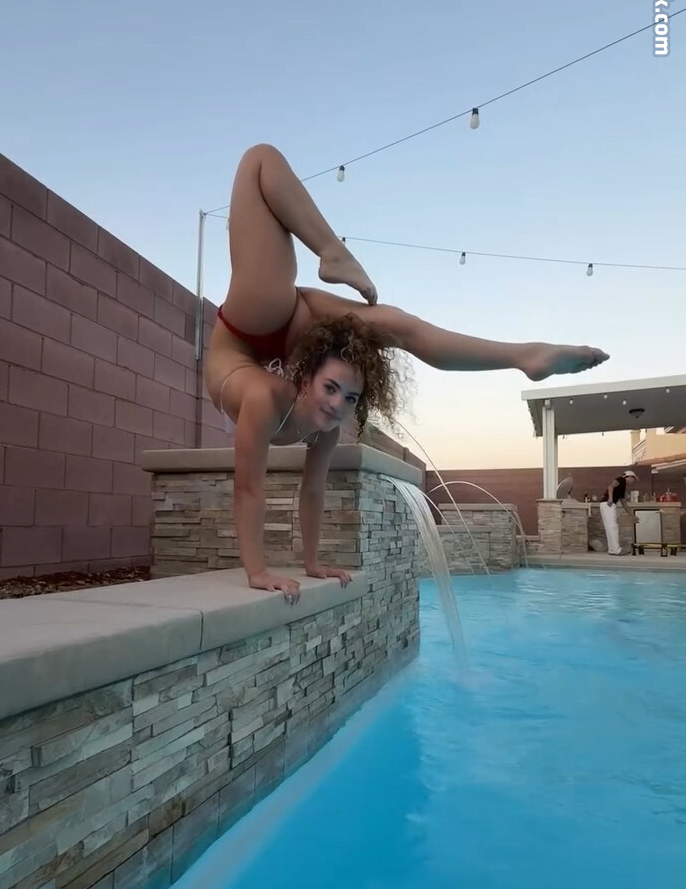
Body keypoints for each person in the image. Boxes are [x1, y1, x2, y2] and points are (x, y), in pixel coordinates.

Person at [205, 144, 610, 602]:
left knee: (400, 326)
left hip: (292, 326)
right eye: (331, 390)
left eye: (350, 398)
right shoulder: (264, 399)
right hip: (242, 338)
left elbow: (313, 491)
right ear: (305, 378)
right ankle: (332, 250)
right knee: (259, 159)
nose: (337, 405)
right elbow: (248, 487)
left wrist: (313, 563)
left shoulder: (329, 423)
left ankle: (525, 356)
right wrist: (257, 571)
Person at [599, 470, 638, 555]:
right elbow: (610, 486)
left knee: (610, 528)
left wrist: (631, 515)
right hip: (608, 504)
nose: (633, 481)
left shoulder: (622, 486)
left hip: (605, 505)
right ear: (629, 477)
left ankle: (612, 550)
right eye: (633, 479)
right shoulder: (621, 479)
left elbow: (623, 502)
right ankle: (617, 550)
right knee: (613, 527)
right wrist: (610, 498)